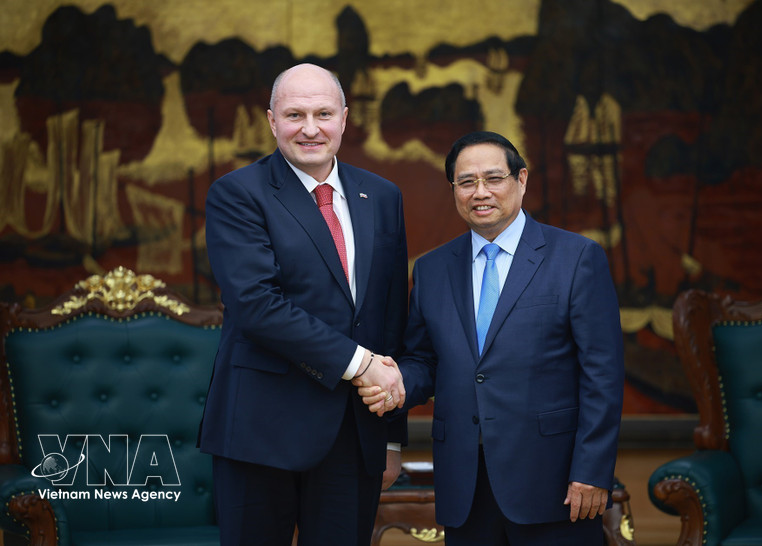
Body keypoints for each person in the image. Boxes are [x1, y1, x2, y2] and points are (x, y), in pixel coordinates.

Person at [358, 131, 624, 545]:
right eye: (466, 182)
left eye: (493, 178)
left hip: (554, 481)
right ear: (454, 190)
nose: (480, 192)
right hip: (464, 481)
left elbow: (602, 374)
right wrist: (394, 385)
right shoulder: (432, 269)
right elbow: (424, 361)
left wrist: (591, 470)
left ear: (522, 180)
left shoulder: (576, 258)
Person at [199, 63, 409, 546]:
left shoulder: (382, 196)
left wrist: (391, 437)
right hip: (260, 430)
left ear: (345, 119)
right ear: (272, 121)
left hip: (354, 433)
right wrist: (361, 365)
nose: (310, 128)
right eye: (295, 115)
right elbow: (256, 305)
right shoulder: (237, 193)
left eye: (323, 114)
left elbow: (390, 316)